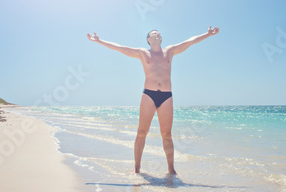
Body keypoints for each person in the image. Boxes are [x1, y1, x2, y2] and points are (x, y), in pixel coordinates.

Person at [86, 26, 220, 175]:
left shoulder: (169, 51)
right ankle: (137, 168)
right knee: (142, 132)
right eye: (155, 33)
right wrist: (99, 41)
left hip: (166, 96)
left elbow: (189, 42)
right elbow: (120, 48)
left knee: (167, 135)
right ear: (149, 39)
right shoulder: (143, 53)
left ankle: (171, 170)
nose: (158, 34)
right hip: (149, 95)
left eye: (159, 33)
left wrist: (207, 34)